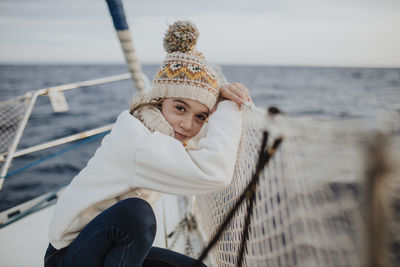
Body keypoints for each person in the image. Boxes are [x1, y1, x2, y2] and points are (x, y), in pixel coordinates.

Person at [44, 21, 251, 267]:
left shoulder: (155, 126)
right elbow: (214, 172)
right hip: (69, 257)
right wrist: (228, 107)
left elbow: (206, 144)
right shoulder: (139, 140)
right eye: (180, 107)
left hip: (106, 244)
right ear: (160, 99)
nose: (186, 124)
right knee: (136, 213)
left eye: (201, 117)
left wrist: (217, 97)